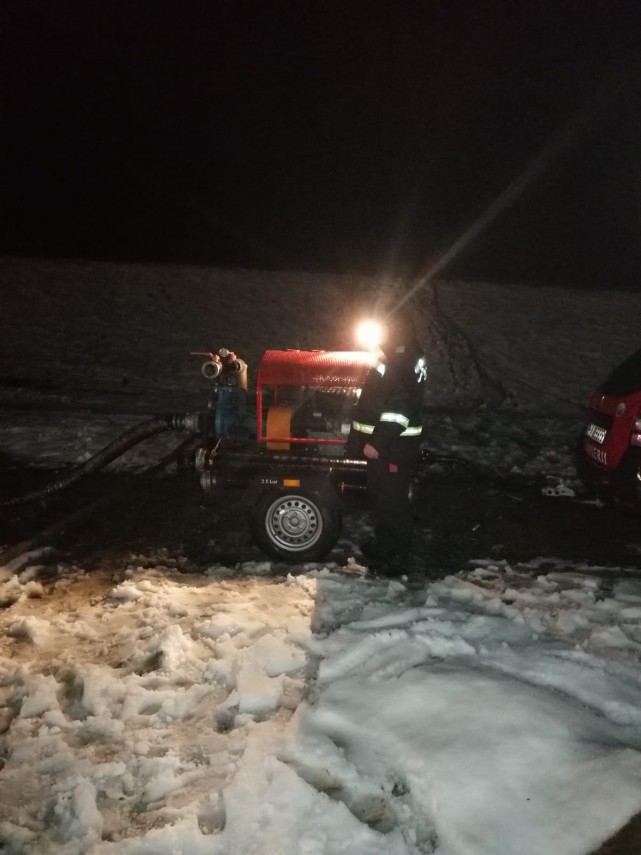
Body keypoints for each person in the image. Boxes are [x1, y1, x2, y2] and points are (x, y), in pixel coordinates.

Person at [346, 308, 427, 576]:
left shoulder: (401, 360)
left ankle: (399, 558)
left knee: (393, 505)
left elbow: (399, 409)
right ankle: (384, 548)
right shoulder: (400, 355)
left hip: (392, 449)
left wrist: (377, 442)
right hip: (387, 449)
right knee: (382, 501)